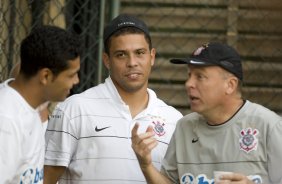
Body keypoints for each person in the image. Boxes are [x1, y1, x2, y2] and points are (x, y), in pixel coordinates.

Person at [43, 14, 183, 184]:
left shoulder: (175, 121)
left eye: (140, 53)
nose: (132, 62)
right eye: (121, 55)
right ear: (107, 60)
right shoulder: (74, 109)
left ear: (152, 57)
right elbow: (45, 180)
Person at [131, 42, 282, 184]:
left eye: (200, 76)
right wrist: (146, 165)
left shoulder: (268, 126)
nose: (189, 84)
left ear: (230, 85)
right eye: (189, 75)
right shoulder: (185, 127)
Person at [0, 25, 82, 184]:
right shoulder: (6, 120)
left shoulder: (32, 108)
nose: (76, 81)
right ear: (45, 76)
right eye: (71, 75)